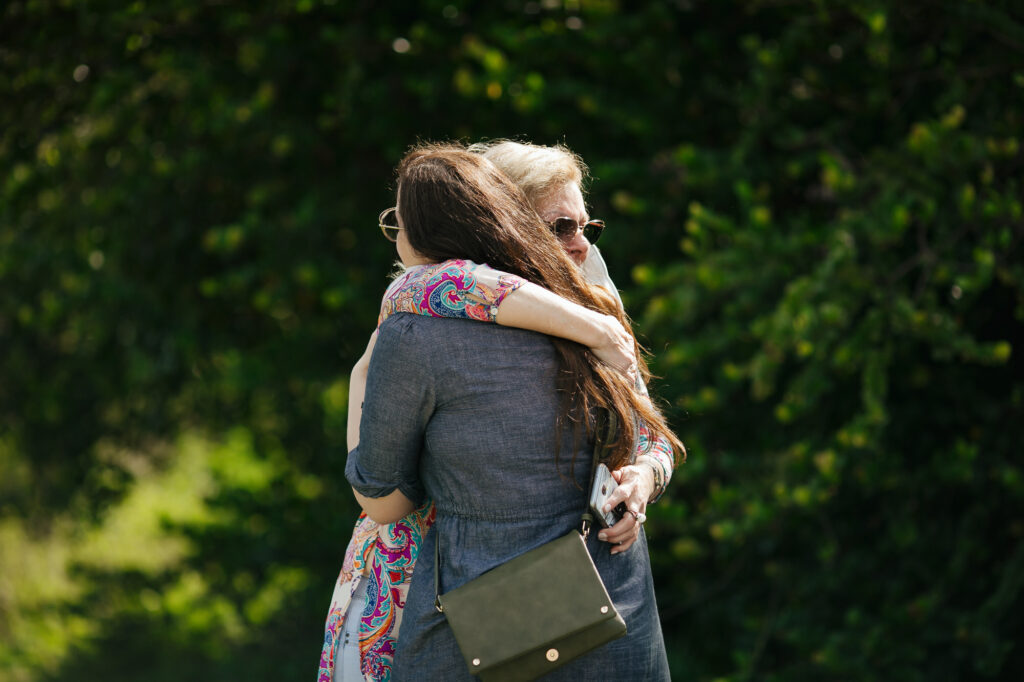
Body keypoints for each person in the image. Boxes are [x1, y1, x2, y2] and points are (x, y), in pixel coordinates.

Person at [317, 142, 677, 681]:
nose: (581, 246)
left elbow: (654, 434)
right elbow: (446, 283)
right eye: (561, 227)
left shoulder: (595, 307)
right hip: (540, 619)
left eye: (588, 228)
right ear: (499, 220)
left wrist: (644, 478)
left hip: (554, 617)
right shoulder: (440, 308)